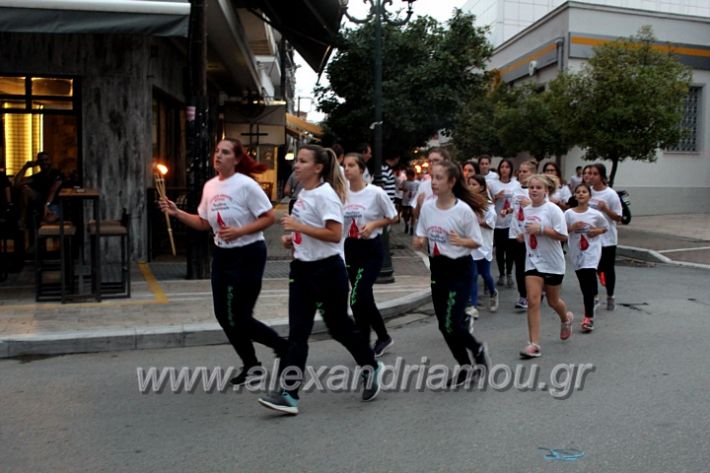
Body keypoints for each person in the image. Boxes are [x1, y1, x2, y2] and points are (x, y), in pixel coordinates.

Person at [258, 145, 381, 415]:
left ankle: (370, 364)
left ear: (318, 167)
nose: (296, 166)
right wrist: (294, 240)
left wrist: (299, 228)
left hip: (327, 271)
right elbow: (312, 232)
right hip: (301, 270)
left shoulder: (326, 195)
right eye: (297, 161)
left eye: (303, 161)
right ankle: (289, 394)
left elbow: (335, 235)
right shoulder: (304, 193)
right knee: (297, 334)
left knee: (339, 329)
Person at [159, 138, 288, 385]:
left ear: (237, 159)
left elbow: (269, 217)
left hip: (249, 252)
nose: (218, 156)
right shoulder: (210, 187)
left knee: (240, 315)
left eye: (225, 152)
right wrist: (177, 212)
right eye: (217, 151)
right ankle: (251, 364)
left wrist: (241, 232)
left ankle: (282, 346)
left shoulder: (246, 185)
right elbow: (204, 222)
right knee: (224, 315)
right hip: (222, 254)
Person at [414, 160, 489, 387]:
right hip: (438, 269)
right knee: (443, 325)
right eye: (432, 177)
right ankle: (465, 366)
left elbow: (477, 242)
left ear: (451, 182)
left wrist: (461, 240)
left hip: (460, 270)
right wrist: (418, 241)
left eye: (438, 178)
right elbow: (420, 235)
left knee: (453, 323)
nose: (434, 182)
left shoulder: (463, 210)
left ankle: (476, 349)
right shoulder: (428, 207)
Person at [342, 152, 398, 356]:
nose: (347, 169)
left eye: (351, 165)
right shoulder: (342, 193)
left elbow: (393, 217)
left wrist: (374, 223)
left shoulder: (375, 193)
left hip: (371, 250)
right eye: (344, 165)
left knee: (357, 297)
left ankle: (369, 340)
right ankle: (378, 339)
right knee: (364, 298)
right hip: (351, 248)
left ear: (361, 169)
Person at [518, 174, 573, 359]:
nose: (533, 190)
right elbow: (521, 231)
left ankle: (566, 319)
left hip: (553, 263)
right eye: (531, 187)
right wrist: (520, 235)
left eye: (538, 187)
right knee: (533, 301)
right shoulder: (525, 210)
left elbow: (563, 236)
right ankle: (534, 344)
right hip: (533, 261)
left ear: (546, 191)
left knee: (553, 301)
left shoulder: (553, 210)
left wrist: (541, 229)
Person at [565, 183, 608, 333]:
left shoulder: (595, 214)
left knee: (588, 281)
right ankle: (591, 303)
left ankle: (588, 317)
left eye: (584, 192)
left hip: (592, 251)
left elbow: (605, 227)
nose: (581, 194)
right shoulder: (569, 214)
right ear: (575, 195)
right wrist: (572, 228)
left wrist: (596, 230)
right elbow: (562, 232)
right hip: (576, 252)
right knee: (584, 284)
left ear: (589, 195)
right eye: (578, 192)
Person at [584, 163, 623, 311]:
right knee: (591, 269)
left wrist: (606, 209)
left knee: (607, 269)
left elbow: (619, 217)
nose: (591, 176)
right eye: (590, 173)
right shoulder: (588, 192)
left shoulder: (610, 194)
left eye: (595, 174)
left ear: (602, 176)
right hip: (592, 238)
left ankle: (610, 296)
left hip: (608, 239)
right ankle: (594, 297)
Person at [467, 175, 498, 319]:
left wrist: (479, 221)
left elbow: (491, 222)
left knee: (485, 274)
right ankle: (473, 306)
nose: (471, 187)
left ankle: (493, 292)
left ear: (481, 187)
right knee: (472, 275)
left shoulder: (488, 204)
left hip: (484, 244)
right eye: (470, 184)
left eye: (474, 184)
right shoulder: (466, 203)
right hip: (470, 244)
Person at [508, 160, 536, 312]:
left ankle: (537, 291)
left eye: (525, 171)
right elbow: (514, 208)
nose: (521, 174)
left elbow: (543, 211)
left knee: (531, 267)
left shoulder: (536, 190)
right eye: (520, 171)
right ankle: (523, 296)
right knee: (519, 267)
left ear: (532, 173)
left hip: (530, 235)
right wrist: (508, 211)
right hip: (515, 233)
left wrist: (531, 203)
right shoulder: (515, 189)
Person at [488, 158, 520, 288]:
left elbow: (518, 201)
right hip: (497, 222)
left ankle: (509, 274)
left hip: (511, 222)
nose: (504, 169)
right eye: (502, 167)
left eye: (507, 167)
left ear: (511, 169)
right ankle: (501, 273)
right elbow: (487, 202)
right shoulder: (492, 184)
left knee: (510, 250)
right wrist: (496, 198)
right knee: (500, 250)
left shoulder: (516, 184)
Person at [14, 151, 62, 227]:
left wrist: (47, 205)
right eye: (41, 161)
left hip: (54, 203)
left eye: (46, 160)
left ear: (50, 161)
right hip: (41, 203)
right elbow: (17, 183)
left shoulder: (56, 173)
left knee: (48, 219)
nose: (44, 162)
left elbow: (53, 190)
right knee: (25, 189)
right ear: (38, 163)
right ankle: (23, 219)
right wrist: (25, 167)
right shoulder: (37, 176)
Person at [413, 147, 450, 218]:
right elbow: (416, 215)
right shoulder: (423, 185)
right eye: (429, 161)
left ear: (446, 161)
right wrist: (418, 205)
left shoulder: (452, 184)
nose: (432, 163)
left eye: (436, 160)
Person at [401, 168, 420, 235]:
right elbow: (400, 187)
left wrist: (414, 193)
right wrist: (404, 189)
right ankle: (406, 224)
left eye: (409, 175)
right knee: (405, 214)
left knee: (413, 214)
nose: (408, 177)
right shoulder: (404, 182)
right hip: (405, 200)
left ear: (412, 175)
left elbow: (419, 191)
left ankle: (412, 227)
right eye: (407, 175)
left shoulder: (417, 183)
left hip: (413, 201)